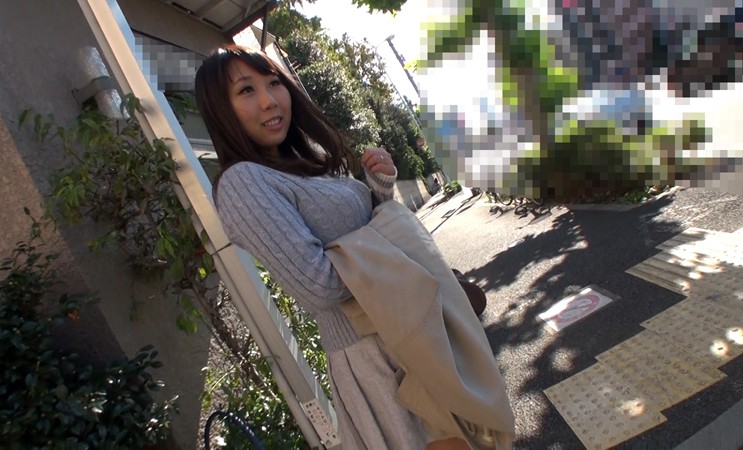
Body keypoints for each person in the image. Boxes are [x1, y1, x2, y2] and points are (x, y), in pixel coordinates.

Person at [194, 45, 513, 450]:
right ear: (221, 111)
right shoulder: (243, 183)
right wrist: (389, 233)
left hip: (407, 328)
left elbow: (363, 234)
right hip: (379, 356)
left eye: (273, 83)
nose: (269, 100)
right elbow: (318, 284)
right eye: (246, 91)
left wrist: (378, 188)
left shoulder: (303, 162)